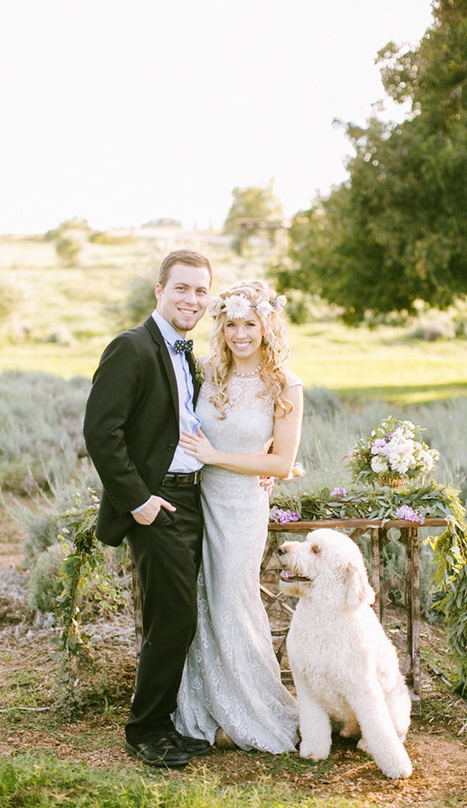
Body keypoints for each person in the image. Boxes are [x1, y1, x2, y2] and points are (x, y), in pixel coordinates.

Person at [83, 249, 214, 768]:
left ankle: (164, 724)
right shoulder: (131, 347)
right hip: (155, 501)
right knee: (175, 617)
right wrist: (138, 502)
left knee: (173, 616)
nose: (192, 299)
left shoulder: (187, 354)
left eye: (201, 290)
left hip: (192, 496)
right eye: (182, 288)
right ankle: (145, 730)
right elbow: (101, 431)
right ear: (159, 290)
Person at [173, 279, 303, 753]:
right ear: (221, 326)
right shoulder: (206, 371)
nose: (241, 333)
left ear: (267, 326)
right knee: (199, 601)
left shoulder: (285, 385)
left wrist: (214, 455)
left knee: (232, 599)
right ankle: (204, 708)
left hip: (243, 505)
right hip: (196, 501)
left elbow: (281, 463)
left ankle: (254, 710)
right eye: (232, 323)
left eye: (251, 323)